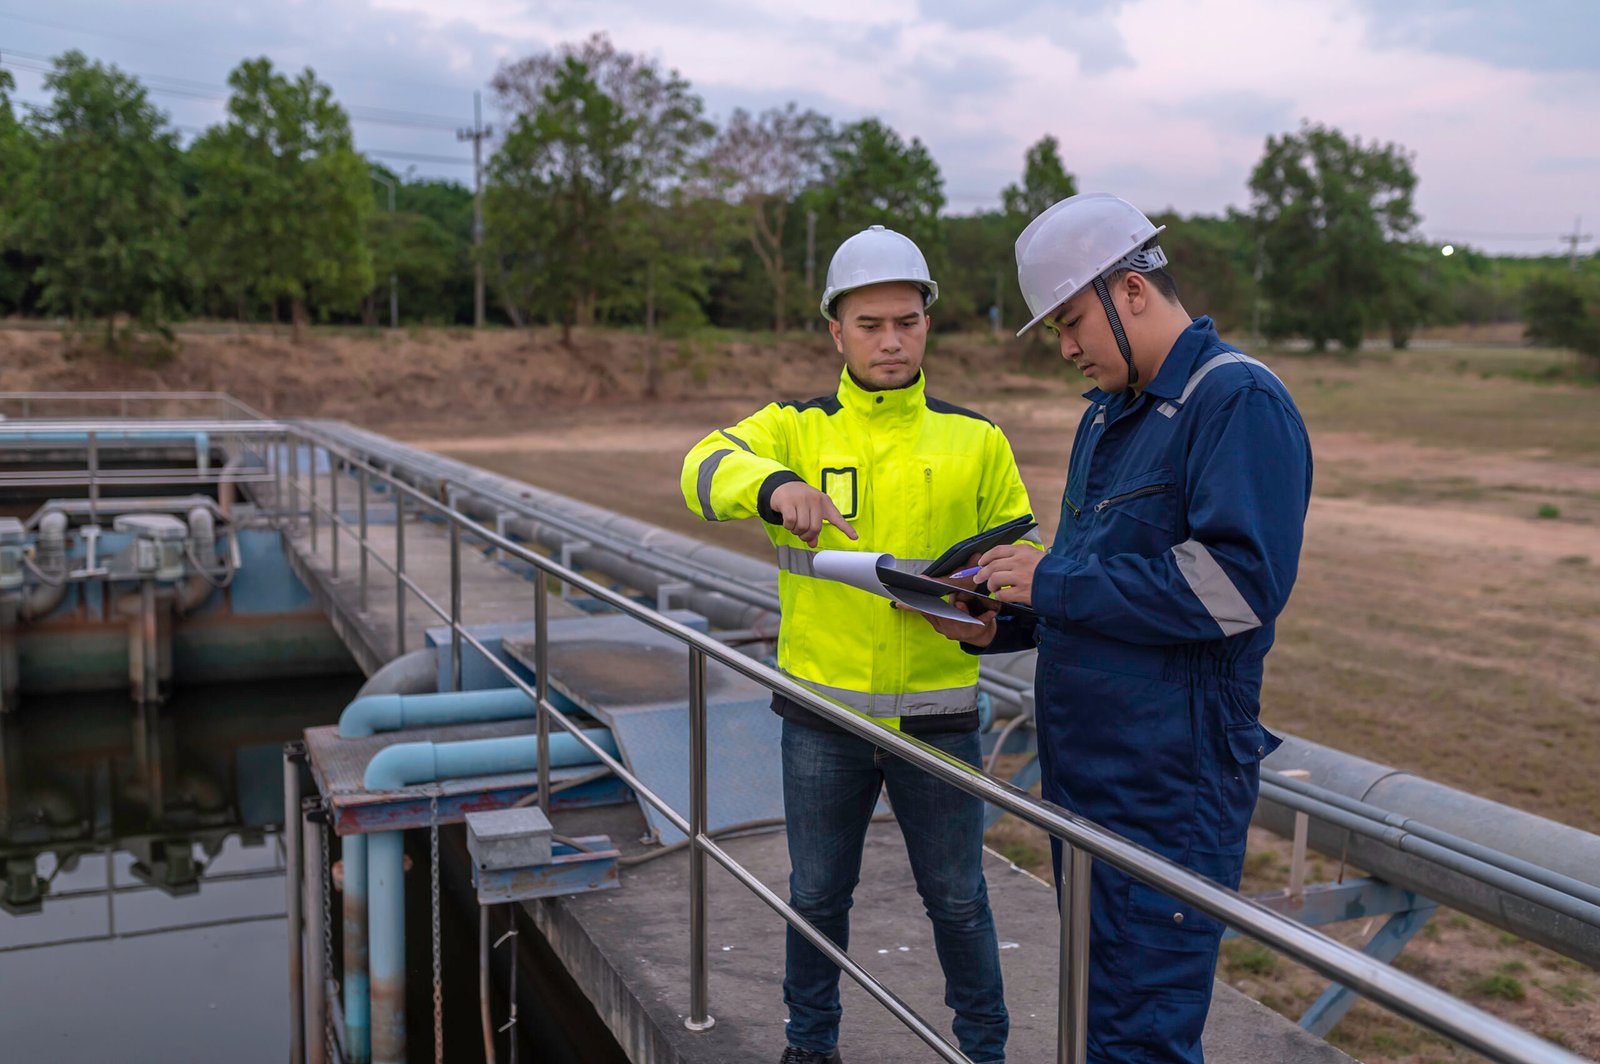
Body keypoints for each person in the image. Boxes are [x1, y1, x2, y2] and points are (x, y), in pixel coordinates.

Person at [920, 193, 1313, 1062]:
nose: (1064, 349)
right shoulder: (1108, 415)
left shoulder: (1236, 401)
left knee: (1141, 1038)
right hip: (1090, 783)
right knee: (1101, 1024)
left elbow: (1234, 590)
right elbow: (1109, 593)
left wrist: (1051, 577)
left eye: (1068, 322)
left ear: (1130, 290)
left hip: (1168, 790)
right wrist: (1004, 623)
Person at [680, 224, 1034, 1064]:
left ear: (926, 325)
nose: (889, 339)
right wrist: (772, 484)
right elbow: (699, 468)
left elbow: (1020, 572)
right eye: (869, 324)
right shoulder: (792, 429)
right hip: (822, 714)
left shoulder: (976, 440)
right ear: (835, 331)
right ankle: (811, 1049)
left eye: (905, 321)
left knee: (957, 901)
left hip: (941, 717)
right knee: (816, 896)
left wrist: (987, 615)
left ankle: (985, 1052)